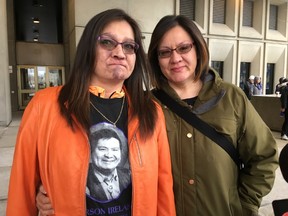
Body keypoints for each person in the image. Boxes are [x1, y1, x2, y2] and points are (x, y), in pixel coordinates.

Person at [6, 9, 176, 216]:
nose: (119, 53)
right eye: (107, 42)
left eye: (129, 46)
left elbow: (163, 187)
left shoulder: (151, 111)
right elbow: (21, 188)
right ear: (88, 48)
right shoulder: (44, 106)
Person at [148, 15, 278, 215]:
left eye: (184, 48)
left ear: (198, 49)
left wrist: (244, 205)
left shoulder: (231, 97)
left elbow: (263, 156)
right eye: (164, 52)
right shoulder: (146, 105)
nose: (175, 58)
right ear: (156, 59)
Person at [87, 123, 131, 202]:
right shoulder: (83, 180)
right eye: (102, 149)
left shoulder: (129, 176)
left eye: (115, 150)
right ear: (91, 151)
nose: (109, 155)